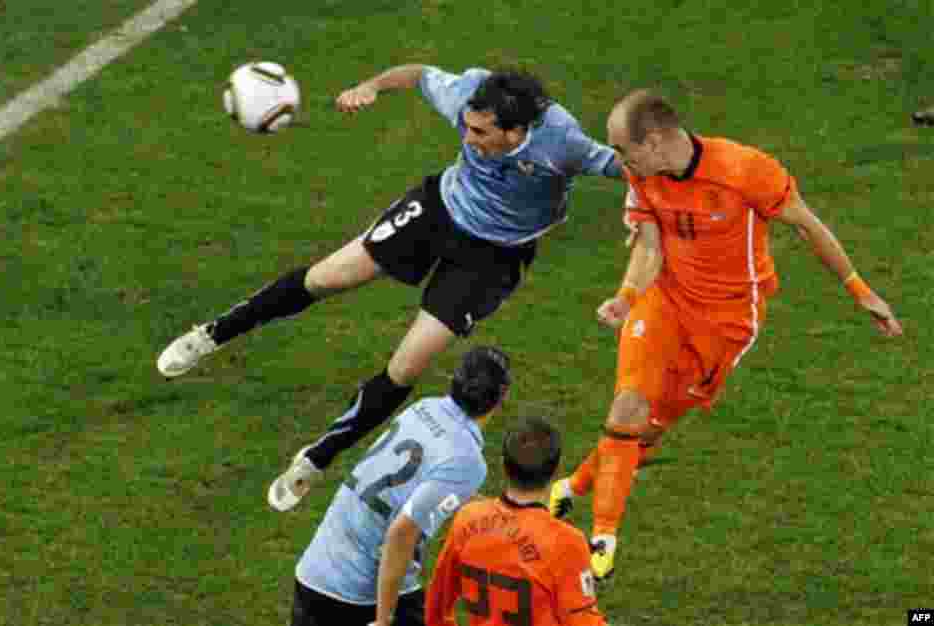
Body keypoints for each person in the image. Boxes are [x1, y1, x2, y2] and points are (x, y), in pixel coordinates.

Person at [156, 63, 621, 511]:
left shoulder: (563, 142)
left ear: (515, 133)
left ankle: (315, 460)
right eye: (467, 128)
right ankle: (211, 335)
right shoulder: (471, 95)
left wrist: (649, 213)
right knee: (325, 278)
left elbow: (624, 166)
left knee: (406, 365)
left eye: (480, 134)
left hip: (494, 257)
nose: (468, 138)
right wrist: (373, 86)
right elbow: (418, 74)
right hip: (438, 209)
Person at [547, 89, 904, 583]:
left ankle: (574, 486)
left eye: (624, 149)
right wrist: (627, 297)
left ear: (652, 142)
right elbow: (650, 245)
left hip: (726, 322)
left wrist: (860, 289)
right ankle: (603, 537)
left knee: (647, 430)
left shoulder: (744, 170)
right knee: (628, 405)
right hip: (665, 300)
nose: (617, 160)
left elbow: (807, 225)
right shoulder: (640, 173)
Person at [288, 346, 511, 626]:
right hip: (356, 592)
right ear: (501, 397)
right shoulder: (467, 459)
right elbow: (401, 534)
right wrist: (384, 619)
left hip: (316, 568)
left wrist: (501, 511)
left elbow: (427, 485)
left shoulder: (425, 408)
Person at [426, 416, 609, 626]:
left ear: (503, 465)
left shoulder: (467, 520)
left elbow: (437, 605)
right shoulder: (567, 542)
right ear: (555, 472)